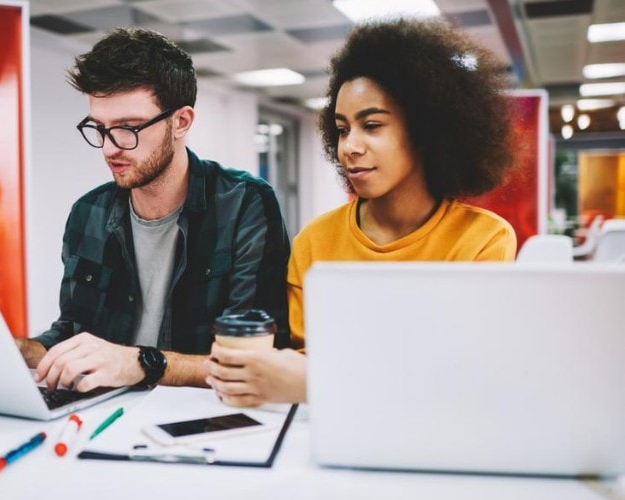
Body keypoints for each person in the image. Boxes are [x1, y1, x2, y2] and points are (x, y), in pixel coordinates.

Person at [205, 17, 519, 407]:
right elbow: (298, 366)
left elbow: (465, 376)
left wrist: (315, 382)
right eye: (341, 129)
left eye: (371, 125)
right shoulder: (315, 243)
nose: (349, 146)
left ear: (426, 131)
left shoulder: (482, 240)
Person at [16, 28, 290, 393]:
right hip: (103, 415)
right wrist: (26, 351)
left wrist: (142, 363)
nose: (110, 148)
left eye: (127, 128)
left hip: (206, 423)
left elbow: (254, 359)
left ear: (181, 122)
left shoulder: (244, 204)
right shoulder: (88, 213)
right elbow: (73, 331)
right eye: (99, 128)